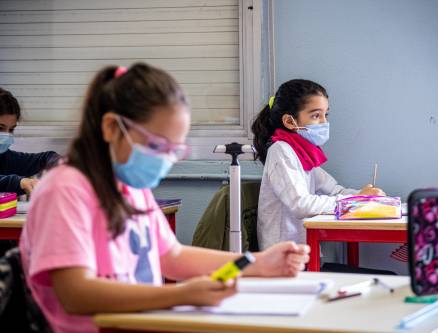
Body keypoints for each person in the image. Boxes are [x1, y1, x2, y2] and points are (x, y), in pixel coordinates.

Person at [20, 63, 310, 333]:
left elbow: (171, 256)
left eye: (174, 150)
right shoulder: (65, 189)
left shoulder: (129, 188)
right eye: (158, 145)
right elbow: (76, 294)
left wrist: (255, 262)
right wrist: (179, 295)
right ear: (111, 128)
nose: (165, 159)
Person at [251, 79, 385, 250]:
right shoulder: (281, 151)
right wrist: (354, 201)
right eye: (315, 115)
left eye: (325, 114)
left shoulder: (302, 151)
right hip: (283, 257)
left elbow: (334, 190)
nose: (324, 122)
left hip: (303, 252)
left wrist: (363, 196)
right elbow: (301, 204)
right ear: (290, 122)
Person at [0, 87, 59, 195]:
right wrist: (19, 182)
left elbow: (43, 159)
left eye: (11, 129)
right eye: (0, 128)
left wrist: (60, 163)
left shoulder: (4, 157)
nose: (6, 135)